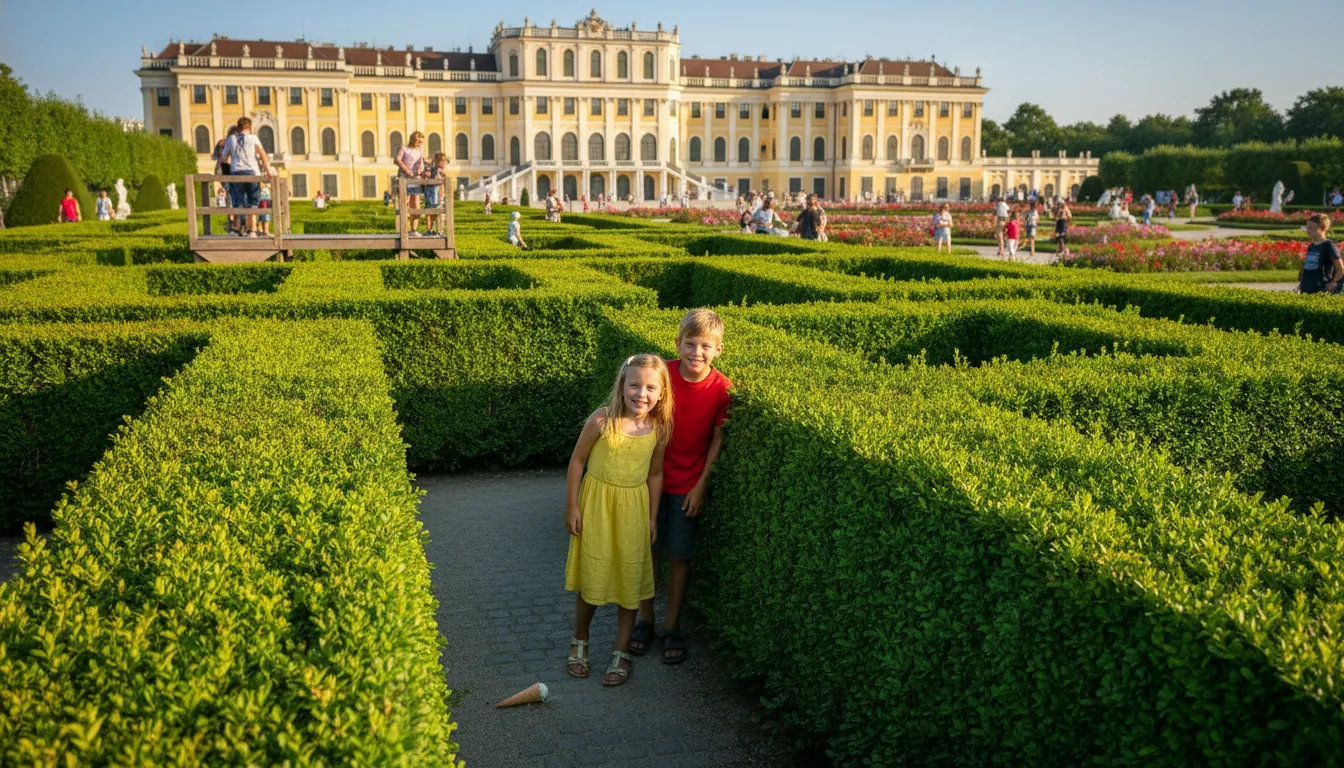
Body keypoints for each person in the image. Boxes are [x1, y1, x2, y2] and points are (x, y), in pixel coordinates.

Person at [564, 354, 673, 687]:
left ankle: (621, 650)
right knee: (592, 576)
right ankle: (580, 639)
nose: (642, 393)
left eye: (651, 387)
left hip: (633, 511)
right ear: (622, 386)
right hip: (597, 506)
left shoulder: (658, 428)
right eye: (635, 385)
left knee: (630, 581)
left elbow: (655, 475)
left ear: (661, 392)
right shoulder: (602, 420)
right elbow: (577, 462)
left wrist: (652, 517)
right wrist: (572, 506)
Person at [632, 310, 730, 664]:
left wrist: (701, 485)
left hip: (687, 486)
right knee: (647, 553)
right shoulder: (663, 375)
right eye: (690, 344)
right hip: (648, 481)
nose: (697, 352)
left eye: (706, 346)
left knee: (679, 558)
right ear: (677, 344)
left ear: (718, 349)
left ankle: (672, 626)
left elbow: (717, 440)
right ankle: (645, 621)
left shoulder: (722, 389)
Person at [219, 116, 271, 237]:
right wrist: (268, 170)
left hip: (236, 173)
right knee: (253, 202)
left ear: (238, 128)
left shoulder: (231, 139)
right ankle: (251, 230)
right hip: (252, 173)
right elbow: (263, 154)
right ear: (250, 128)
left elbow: (224, 158)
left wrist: (227, 172)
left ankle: (236, 229)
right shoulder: (253, 138)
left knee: (238, 202)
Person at [1300, 214, 1343, 295]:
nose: (1308, 230)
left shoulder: (1328, 245)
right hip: (1307, 287)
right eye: (1307, 227)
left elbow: (1340, 268)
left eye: (1311, 228)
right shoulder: (1311, 246)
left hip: (1321, 287)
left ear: (1322, 228)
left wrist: (1334, 282)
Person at [395, 131, 426, 235]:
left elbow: (421, 162)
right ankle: (404, 230)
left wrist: (421, 169)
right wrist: (407, 170)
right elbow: (397, 160)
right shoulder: (403, 148)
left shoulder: (419, 151)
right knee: (405, 204)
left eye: (421, 142)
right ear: (412, 139)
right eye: (418, 141)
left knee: (416, 205)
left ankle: (414, 230)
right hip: (405, 179)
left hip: (416, 180)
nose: (419, 144)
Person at [423, 152, 447, 237]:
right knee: (438, 212)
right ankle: (439, 231)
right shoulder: (438, 169)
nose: (445, 163)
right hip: (435, 193)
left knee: (431, 212)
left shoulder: (432, 168)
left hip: (431, 193)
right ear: (438, 161)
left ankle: (431, 230)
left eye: (445, 161)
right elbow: (441, 181)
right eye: (443, 161)